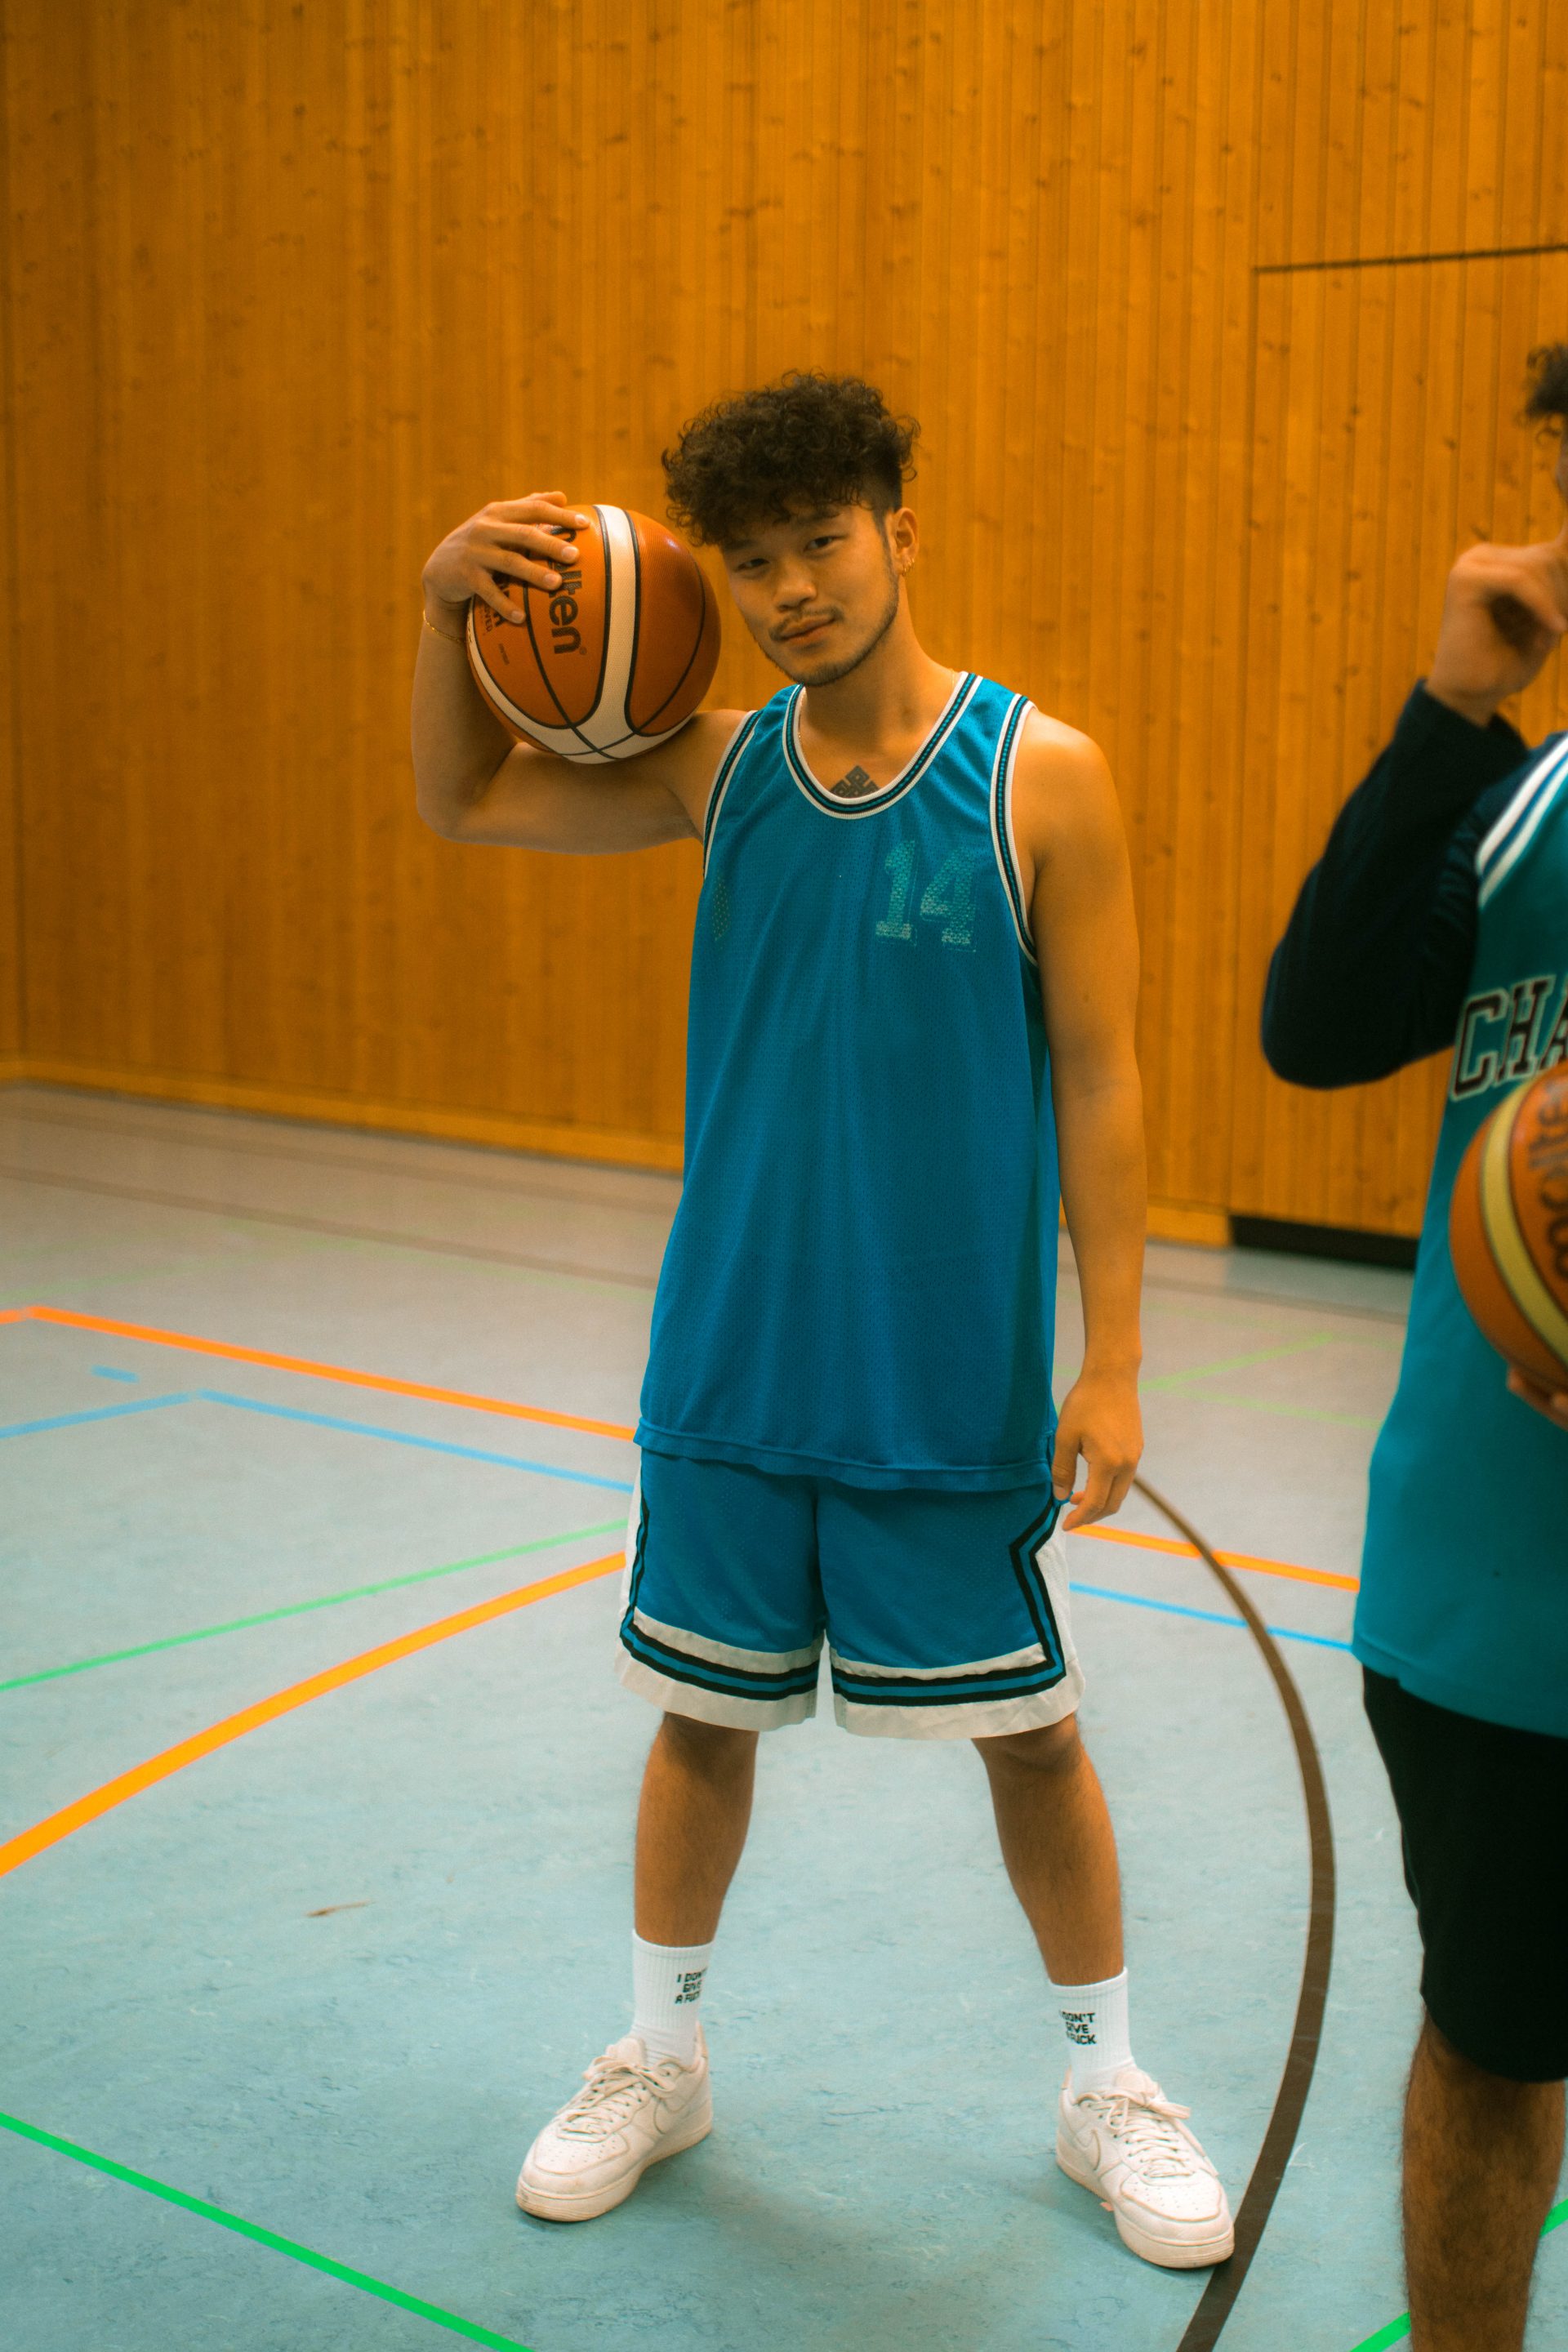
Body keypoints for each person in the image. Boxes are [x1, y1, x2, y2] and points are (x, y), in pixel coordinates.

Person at [412, 372, 1232, 2269]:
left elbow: (1101, 1080)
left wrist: (1109, 1353)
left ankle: (1108, 2083)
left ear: (902, 530)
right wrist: (441, 603)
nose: (792, 587)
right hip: (731, 1352)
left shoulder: (1045, 774)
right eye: (755, 560)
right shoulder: (717, 770)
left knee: (1030, 1735)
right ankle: (660, 2056)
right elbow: (463, 797)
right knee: (701, 1720)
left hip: (945, 1374)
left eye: (824, 542)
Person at [1263, 343, 1568, 2352]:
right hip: (1496, 1594)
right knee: (1494, 2053)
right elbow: (1315, 1023)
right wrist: (1452, 704)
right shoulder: (1520, 799)